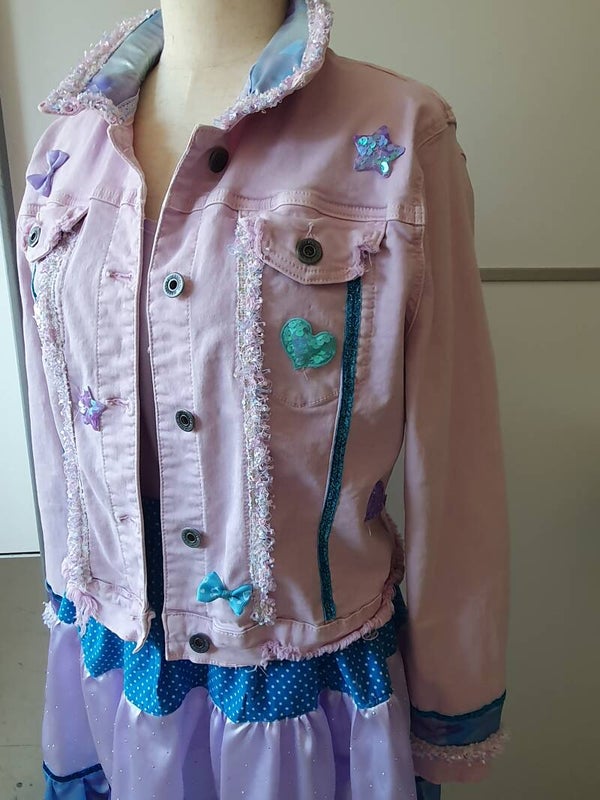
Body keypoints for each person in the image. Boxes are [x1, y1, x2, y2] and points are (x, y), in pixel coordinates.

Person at [15, 2, 510, 798]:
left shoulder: (398, 135)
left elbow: (455, 456)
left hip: (310, 697)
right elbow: (56, 441)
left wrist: (453, 696)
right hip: (118, 670)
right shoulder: (66, 153)